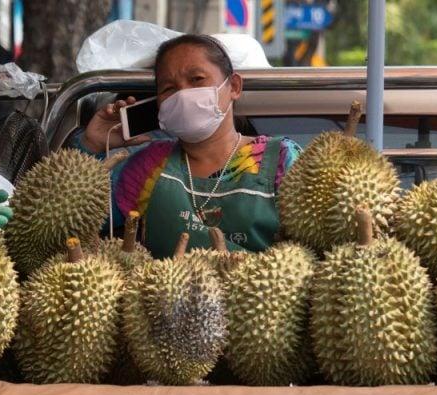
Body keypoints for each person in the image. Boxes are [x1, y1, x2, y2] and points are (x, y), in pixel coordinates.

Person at [77, 34, 301, 258]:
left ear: (234, 86)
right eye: (168, 88)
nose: (183, 93)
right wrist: (92, 144)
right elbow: (73, 221)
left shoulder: (281, 159)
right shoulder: (149, 165)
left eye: (196, 79)